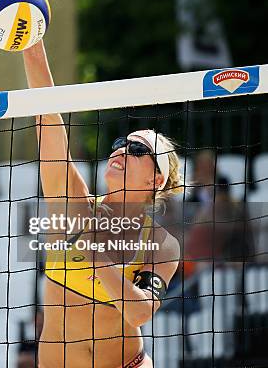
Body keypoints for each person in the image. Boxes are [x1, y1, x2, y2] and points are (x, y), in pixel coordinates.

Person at [24, 40, 182, 367]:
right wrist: (32, 43)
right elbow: (48, 120)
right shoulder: (75, 207)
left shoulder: (162, 245)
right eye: (120, 143)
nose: (122, 150)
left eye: (138, 151)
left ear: (156, 180)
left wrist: (97, 258)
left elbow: (140, 312)